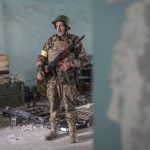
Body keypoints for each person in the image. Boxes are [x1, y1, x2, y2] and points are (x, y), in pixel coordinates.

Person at [36, 15, 88, 143]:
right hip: (53, 80)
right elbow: (41, 57)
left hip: (68, 81)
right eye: (57, 26)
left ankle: (72, 133)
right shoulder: (50, 41)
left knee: (70, 107)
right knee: (53, 107)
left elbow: (84, 60)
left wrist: (71, 64)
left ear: (66, 26)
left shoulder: (75, 40)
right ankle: (53, 130)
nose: (59, 28)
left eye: (61, 25)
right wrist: (39, 71)